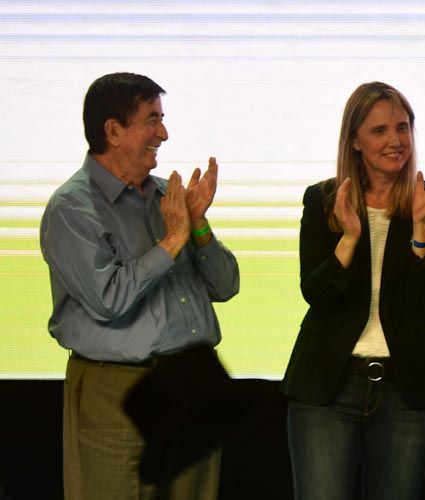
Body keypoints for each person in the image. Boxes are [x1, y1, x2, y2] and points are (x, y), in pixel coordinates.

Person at [40, 72, 240, 500]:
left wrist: (199, 226)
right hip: (117, 388)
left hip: (193, 379)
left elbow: (226, 286)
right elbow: (108, 298)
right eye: (152, 120)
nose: (164, 133)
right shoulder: (71, 208)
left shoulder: (169, 199)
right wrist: (170, 241)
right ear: (113, 131)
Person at [280, 81, 425, 500]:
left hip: (407, 388)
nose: (396, 140)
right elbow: (318, 294)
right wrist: (349, 238)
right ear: (355, 140)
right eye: (380, 130)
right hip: (328, 386)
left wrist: (420, 228)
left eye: (402, 127)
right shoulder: (323, 198)